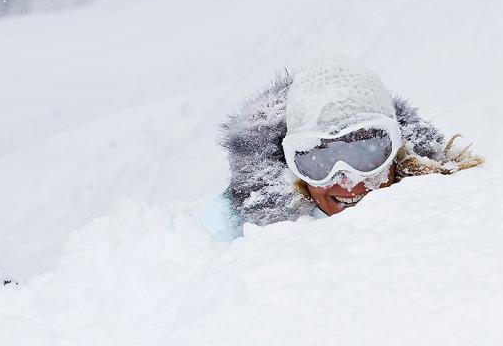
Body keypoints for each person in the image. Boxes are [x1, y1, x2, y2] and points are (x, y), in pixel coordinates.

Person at [207, 53, 483, 239]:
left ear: (396, 151)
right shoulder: (228, 240)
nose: (349, 181)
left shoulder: (461, 214)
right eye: (320, 161)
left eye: (365, 153)